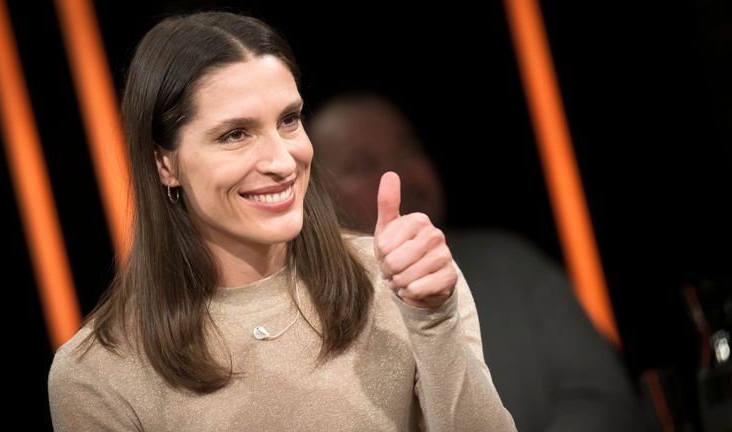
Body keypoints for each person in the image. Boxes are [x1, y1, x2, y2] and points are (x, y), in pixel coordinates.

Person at [47, 11, 516, 431]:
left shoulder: (399, 278)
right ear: (165, 163)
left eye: (289, 120)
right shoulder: (98, 375)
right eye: (235, 134)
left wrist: (432, 318)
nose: (282, 160)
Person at [309, 93, 648, 431]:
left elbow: (603, 399)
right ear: (321, 196)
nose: (400, 174)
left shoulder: (512, 264)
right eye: (363, 164)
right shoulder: (308, 308)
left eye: (407, 149)